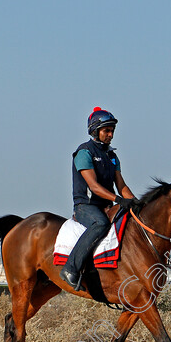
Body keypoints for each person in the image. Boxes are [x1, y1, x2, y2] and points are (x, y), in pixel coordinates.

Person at [60, 107, 141, 290]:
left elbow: (122, 186)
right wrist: (119, 200)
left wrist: (136, 203)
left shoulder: (112, 156)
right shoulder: (84, 152)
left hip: (106, 205)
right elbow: (94, 187)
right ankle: (70, 268)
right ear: (95, 131)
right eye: (107, 131)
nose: (111, 134)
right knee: (101, 224)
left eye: (112, 131)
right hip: (86, 207)